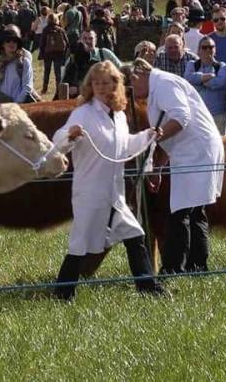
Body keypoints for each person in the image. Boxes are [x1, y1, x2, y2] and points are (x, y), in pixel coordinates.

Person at [52, 62, 164, 300]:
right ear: (90, 86)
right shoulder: (83, 113)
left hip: (115, 194)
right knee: (80, 243)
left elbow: (125, 148)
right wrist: (70, 135)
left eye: (107, 82)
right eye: (97, 82)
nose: (102, 87)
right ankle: (63, 293)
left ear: (116, 84)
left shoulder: (120, 116)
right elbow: (58, 140)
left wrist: (147, 135)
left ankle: (148, 288)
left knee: (135, 236)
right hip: (90, 193)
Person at [127, 60, 224, 274]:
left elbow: (181, 117)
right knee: (194, 210)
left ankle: (173, 268)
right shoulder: (157, 87)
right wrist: (160, 166)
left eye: (132, 86)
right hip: (191, 151)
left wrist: (154, 136)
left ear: (139, 75)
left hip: (196, 152)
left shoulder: (163, 84)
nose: (134, 94)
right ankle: (197, 267)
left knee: (181, 211)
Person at [184, 37, 226, 134]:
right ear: (198, 50)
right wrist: (209, 76)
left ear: (215, 50)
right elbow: (188, 78)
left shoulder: (221, 66)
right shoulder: (191, 65)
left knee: (220, 142)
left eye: (211, 47)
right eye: (204, 47)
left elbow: (221, 82)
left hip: (217, 113)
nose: (208, 50)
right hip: (197, 113)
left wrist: (201, 81)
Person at [0, 26, 35, 103]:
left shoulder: (24, 62)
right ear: (3, 44)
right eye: (8, 41)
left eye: (15, 41)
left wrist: (15, 103)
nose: (11, 43)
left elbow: (27, 87)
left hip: (19, 106)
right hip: (0, 104)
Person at [39, 13, 68, 96]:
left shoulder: (45, 30)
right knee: (58, 73)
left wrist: (41, 54)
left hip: (48, 53)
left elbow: (42, 43)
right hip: (59, 53)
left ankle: (44, 89)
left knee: (47, 72)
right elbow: (66, 42)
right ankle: (58, 90)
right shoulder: (60, 30)